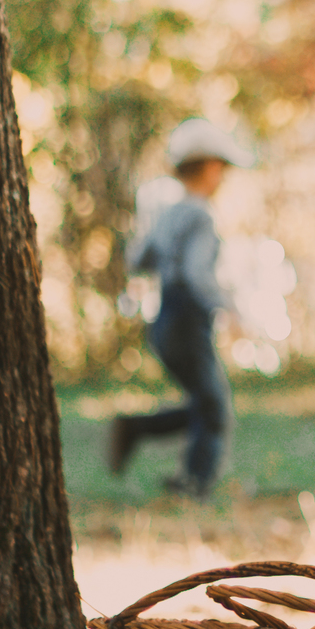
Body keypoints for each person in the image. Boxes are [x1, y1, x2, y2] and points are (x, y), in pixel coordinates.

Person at [107, 117, 250, 498]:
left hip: (164, 320)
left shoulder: (167, 214)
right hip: (188, 317)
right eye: (221, 168)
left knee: (205, 403)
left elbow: (139, 260)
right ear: (207, 167)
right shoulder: (201, 215)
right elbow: (196, 272)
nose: (223, 177)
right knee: (214, 406)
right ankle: (194, 483)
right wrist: (229, 308)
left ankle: (135, 430)